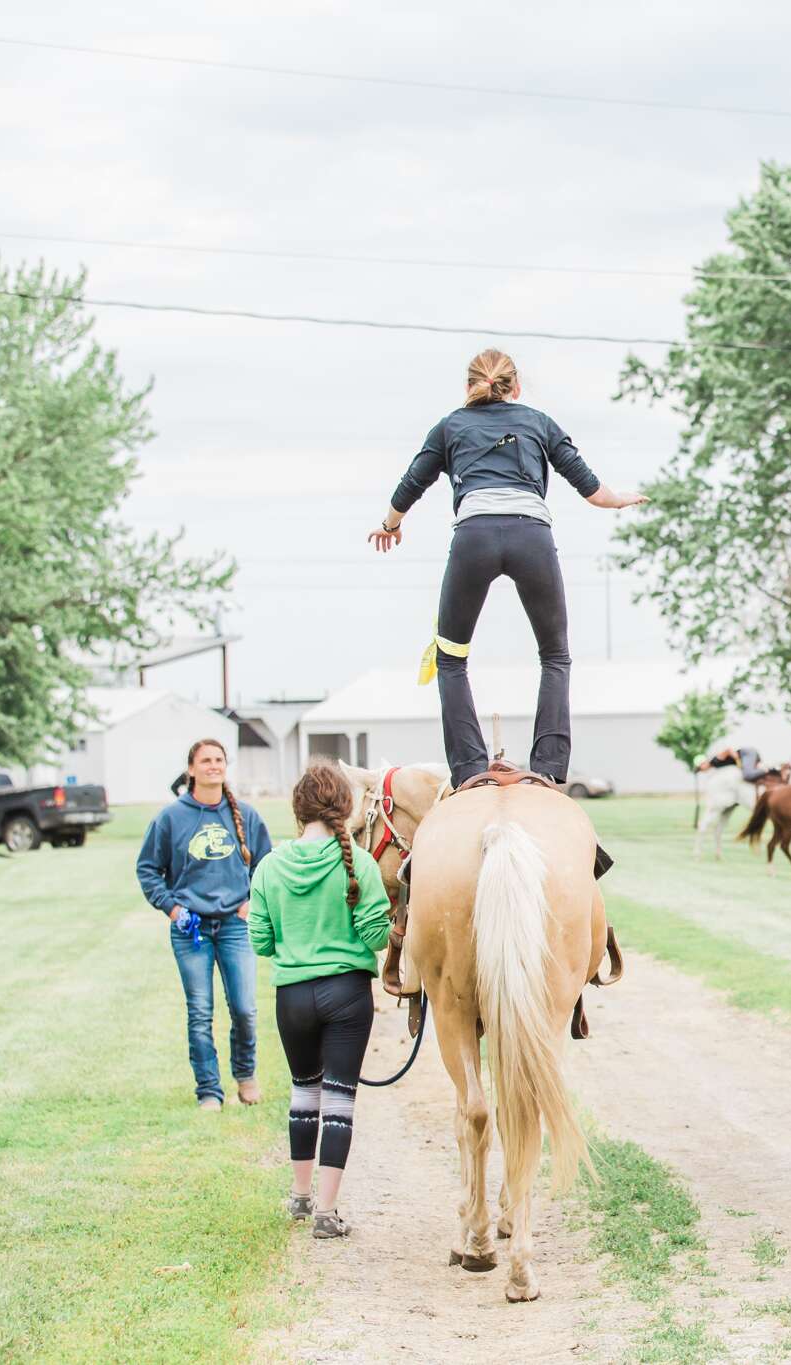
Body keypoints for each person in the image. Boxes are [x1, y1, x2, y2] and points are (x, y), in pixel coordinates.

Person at [368, 349, 648, 790]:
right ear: (515, 387)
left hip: (473, 539)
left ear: (468, 387)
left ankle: (469, 770)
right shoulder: (538, 422)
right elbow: (593, 491)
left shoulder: (450, 426)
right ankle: (550, 768)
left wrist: (389, 526)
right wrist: (620, 499)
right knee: (555, 655)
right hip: (531, 538)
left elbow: (411, 485)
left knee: (452, 658)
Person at [247, 763, 392, 1238]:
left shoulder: (270, 865)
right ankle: (328, 1213)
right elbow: (373, 936)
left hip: (292, 995)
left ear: (298, 807)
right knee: (340, 1098)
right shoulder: (361, 864)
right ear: (345, 809)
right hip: (347, 994)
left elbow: (262, 943)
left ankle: (300, 1196)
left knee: (304, 1092)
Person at [136, 738, 274, 1109]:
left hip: (234, 926)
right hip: (191, 930)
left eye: (219, 760)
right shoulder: (171, 818)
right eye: (206, 760)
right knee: (200, 1011)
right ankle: (209, 1090)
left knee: (244, 1007)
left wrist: (251, 902)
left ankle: (245, 1076)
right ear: (191, 769)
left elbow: (266, 865)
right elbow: (148, 869)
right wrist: (171, 908)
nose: (213, 765)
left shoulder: (245, 815)